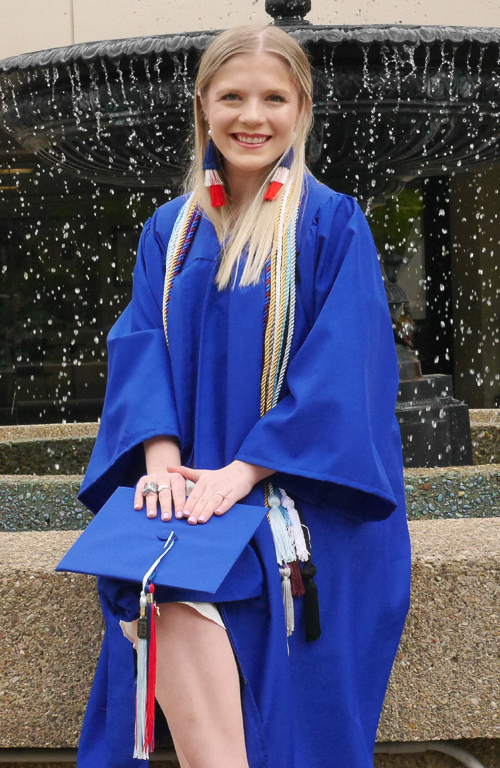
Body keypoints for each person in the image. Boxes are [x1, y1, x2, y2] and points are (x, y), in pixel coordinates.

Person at [76, 23, 412, 768]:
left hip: (308, 496)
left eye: (272, 98)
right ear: (203, 105)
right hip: (191, 488)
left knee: (201, 592)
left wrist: (244, 472)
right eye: (231, 96)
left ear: (301, 109)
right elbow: (140, 350)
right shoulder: (170, 231)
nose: (250, 116)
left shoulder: (329, 223)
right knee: (161, 590)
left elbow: (343, 376)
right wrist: (160, 463)